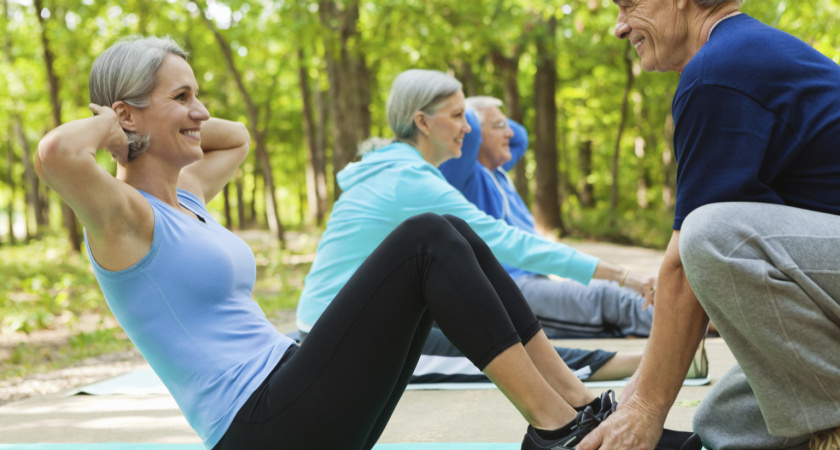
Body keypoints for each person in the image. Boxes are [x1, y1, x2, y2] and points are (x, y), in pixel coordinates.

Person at [34, 35, 641, 450]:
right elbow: (58, 153)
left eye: (198, 94)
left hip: (293, 385)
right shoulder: (127, 219)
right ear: (125, 114)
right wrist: (118, 125)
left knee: (448, 231)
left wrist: (164, 116)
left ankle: (575, 403)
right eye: (183, 97)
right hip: (259, 424)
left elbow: (237, 136)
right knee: (426, 237)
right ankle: (556, 428)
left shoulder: (186, 193)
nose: (201, 111)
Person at [579, 1, 840, 449]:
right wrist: (632, 398)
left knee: (711, 234)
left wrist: (643, 409)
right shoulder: (742, 52)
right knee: (723, 422)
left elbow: (688, 263)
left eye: (628, 6)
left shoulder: (718, 72)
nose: (619, 28)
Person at [296, 69, 652, 385]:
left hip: (336, 326)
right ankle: (644, 367)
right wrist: (620, 275)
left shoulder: (392, 169)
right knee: (507, 360)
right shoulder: (409, 181)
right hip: (344, 343)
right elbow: (507, 242)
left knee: (487, 311)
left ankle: (640, 365)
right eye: (457, 115)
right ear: (422, 122)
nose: (468, 127)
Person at [439, 96, 654, 338]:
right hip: (508, 289)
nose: (509, 132)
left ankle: (690, 319)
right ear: (472, 135)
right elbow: (472, 124)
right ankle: (690, 326)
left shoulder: (496, 172)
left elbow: (520, 136)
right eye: (499, 127)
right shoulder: (464, 177)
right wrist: (466, 105)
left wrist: (493, 116)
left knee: (620, 293)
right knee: (609, 297)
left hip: (533, 280)